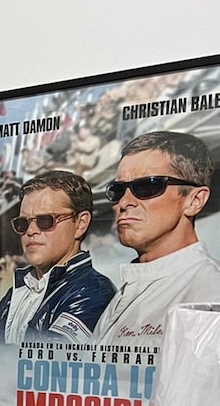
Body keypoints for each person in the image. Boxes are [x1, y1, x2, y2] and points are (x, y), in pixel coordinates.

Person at [93, 130, 220, 344]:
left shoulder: (208, 294)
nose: (124, 202)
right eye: (117, 190)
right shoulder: (128, 289)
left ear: (195, 200)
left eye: (148, 186)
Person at [0, 170, 115, 352]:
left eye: (45, 220)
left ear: (80, 224)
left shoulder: (93, 290)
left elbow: (45, 362)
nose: (31, 231)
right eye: (23, 223)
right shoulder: (17, 291)